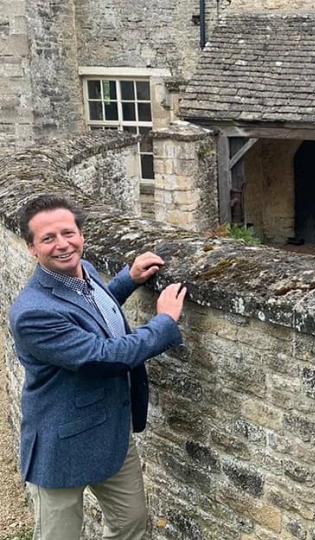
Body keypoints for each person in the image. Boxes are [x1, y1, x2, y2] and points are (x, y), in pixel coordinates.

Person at [9, 194, 187, 540]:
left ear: (82, 235)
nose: (62, 244)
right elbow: (103, 356)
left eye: (68, 233)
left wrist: (128, 279)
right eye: (48, 238)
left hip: (110, 430)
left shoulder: (85, 271)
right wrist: (164, 322)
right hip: (60, 444)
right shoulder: (33, 313)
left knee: (131, 523)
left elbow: (92, 315)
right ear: (31, 248)